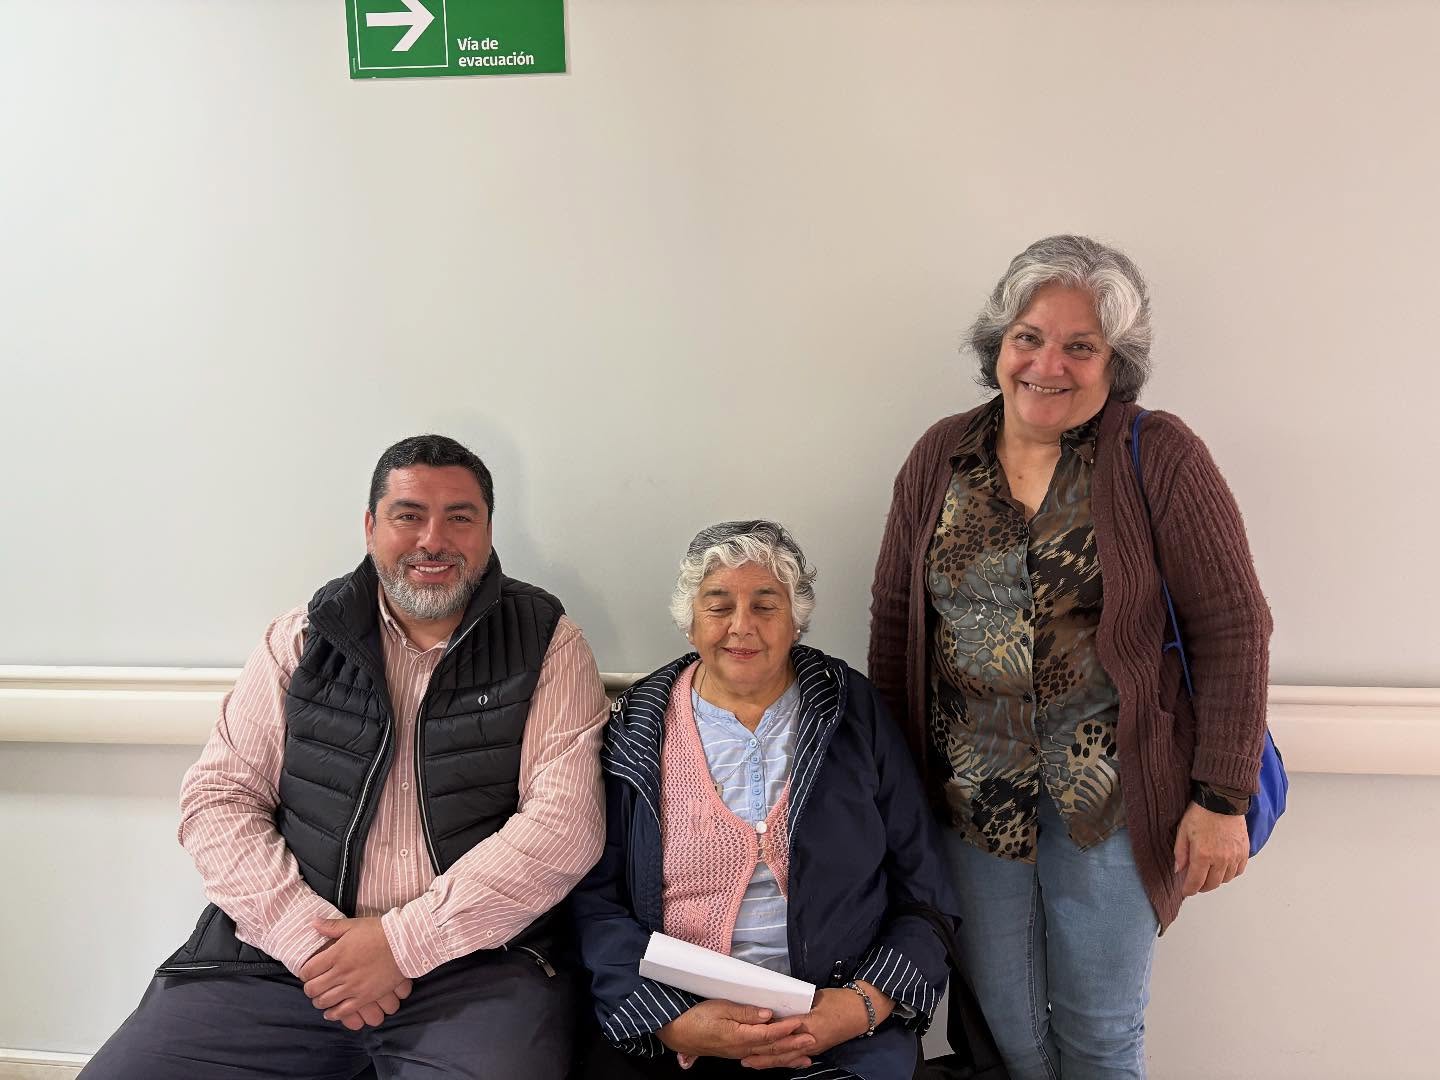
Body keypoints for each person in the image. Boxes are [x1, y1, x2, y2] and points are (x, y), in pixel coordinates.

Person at [868, 236, 1273, 1080]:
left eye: (1080, 346)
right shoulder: (941, 455)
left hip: (1114, 803)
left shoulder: (1157, 455)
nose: (1047, 364)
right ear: (999, 343)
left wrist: (1221, 797)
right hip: (971, 802)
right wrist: (893, 793)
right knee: (1007, 1035)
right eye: (1029, 337)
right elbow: (899, 623)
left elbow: (1234, 629)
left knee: (1099, 1036)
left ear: (1114, 363)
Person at [83, 435, 609, 1080]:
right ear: (370, 527)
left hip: (477, 963)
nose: (433, 539)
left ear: (488, 531)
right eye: (409, 515)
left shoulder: (548, 642)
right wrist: (312, 944)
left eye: (460, 517)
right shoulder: (300, 638)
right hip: (283, 961)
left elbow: (564, 826)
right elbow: (219, 799)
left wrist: (402, 944)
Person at [572, 520, 958, 1080]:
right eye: (718, 605)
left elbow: (925, 890)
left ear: (796, 618)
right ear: (689, 620)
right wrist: (670, 1021)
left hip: (842, 1030)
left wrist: (862, 1004)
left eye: (765, 605)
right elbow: (596, 903)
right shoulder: (636, 728)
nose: (741, 626)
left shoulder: (853, 711)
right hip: (680, 1032)